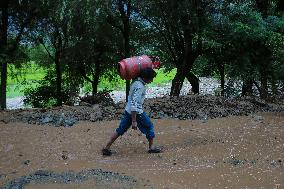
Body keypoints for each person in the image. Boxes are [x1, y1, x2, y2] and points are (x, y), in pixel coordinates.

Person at [102, 67, 161, 156]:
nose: (152, 81)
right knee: (149, 127)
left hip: (128, 111)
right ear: (146, 78)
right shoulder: (140, 86)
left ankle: (106, 147)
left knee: (120, 130)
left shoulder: (135, 81)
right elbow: (134, 103)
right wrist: (134, 121)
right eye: (151, 78)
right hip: (136, 113)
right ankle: (151, 147)